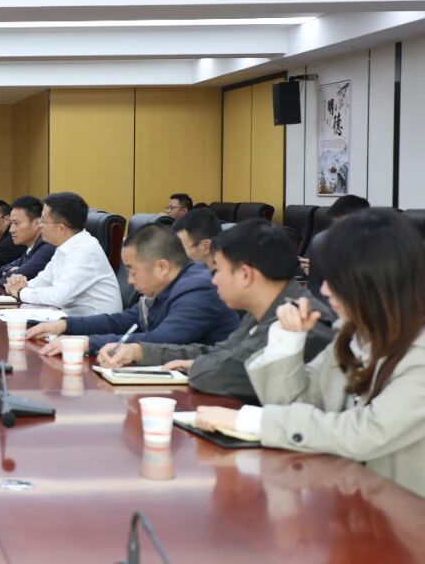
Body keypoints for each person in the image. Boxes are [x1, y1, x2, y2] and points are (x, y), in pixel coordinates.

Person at [196, 209, 425, 498]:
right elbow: (296, 407)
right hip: (345, 498)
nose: (325, 290)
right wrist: (287, 343)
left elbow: (365, 433)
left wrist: (251, 421)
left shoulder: (418, 354)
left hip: (404, 513)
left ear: (375, 281)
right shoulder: (351, 336)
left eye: (337, 280)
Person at [100, 219, 335, 401]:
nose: (213, 281)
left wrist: (199, 365)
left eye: (218, 271)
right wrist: (141, 351)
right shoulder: (262, 310)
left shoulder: (303, 320)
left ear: (245, 275)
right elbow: (220, 352)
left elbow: (226, 374)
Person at [29, 224, 239, 355]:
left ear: (162, 267)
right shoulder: (166, 286)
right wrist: (64, 325)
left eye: (132, 270)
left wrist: (87, 343)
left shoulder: (198, 289)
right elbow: (122, 321)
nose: (129, 280)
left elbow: (162, 340)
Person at [6, 192, 121, 316]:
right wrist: (18, 285)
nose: (40, 225)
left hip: (96, 324)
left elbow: (58, 297)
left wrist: (21, 292)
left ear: (61, 228)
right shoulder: (65, 247)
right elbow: (44, 280)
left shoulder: (84, 250)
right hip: (72, 319)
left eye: (43, 221)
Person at [304, 194, 370, 306]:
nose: (336, 227)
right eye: (335, 222)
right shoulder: (324, 241)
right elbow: (315, 288)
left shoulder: (371, 247)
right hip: (325, 305)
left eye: (341, 222)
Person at [0, 195, 55, 285]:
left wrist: (14, 271)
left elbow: (8, 281)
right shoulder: (31, 247)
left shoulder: (47, 246)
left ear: (37, 223)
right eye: (11, 224)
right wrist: (11, 270)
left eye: (16, 223)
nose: (11, 230)